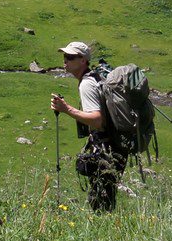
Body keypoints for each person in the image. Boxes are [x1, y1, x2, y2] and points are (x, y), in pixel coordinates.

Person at [50, 42, 127, 212]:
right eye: (64, 56)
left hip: (106, 147)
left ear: (83, 60)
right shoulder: (96, 77)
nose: (65, 61)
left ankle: (104, 230)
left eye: (70, 57)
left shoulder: (87, 84)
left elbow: (97, 120)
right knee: (105, 195)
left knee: (101, 199)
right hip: (115, 144)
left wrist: (66, 109)